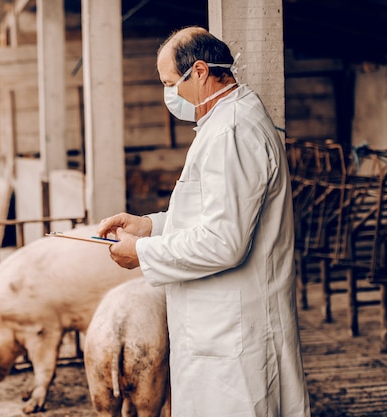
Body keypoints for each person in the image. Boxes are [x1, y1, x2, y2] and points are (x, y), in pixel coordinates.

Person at [96, 26, 311, 417]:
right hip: (219, 325)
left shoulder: (232, 131)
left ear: (198, 71)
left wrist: (142, 253)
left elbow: (224, 241)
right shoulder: (224, 122)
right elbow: (211, 214)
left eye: (169, 83)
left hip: (232, 331)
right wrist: (149, 227)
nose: (170, 94)